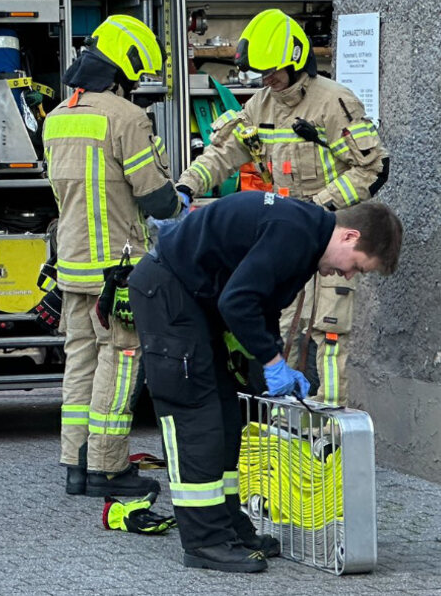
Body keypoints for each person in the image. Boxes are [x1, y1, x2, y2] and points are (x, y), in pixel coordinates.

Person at [127, 192, 402, 573]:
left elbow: (261, 304)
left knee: (227, 418)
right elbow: (237, 302)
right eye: (357, 266)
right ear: (350, 237)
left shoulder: (307, 240)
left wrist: (262, 365)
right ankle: (205, 543)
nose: (350, 275)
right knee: (197, 419)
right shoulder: (295, 233)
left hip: (193, 301)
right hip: (168, 294)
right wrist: (274, 364)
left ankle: (228, 527)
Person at [175, 9, 389, 407]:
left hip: (329, 239)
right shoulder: (261, 106)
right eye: (262, 73)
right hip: (282, 241)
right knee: (282, 329)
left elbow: (373, 169)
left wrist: (319, 207)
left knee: (330, 332)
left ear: (296, 62)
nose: (267, 79)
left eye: (274, 71)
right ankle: (284, 428)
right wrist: (186, 186)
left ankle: (330, 429)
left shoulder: (335, 104)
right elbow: (223, 152)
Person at [43, 15, 186, 498]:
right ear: (123, 69)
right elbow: (158, 200)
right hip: (119, 271)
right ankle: (108, 467)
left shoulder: (57, 116)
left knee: (79, 362)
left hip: (74, 266)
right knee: (121, 360)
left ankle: (76, 465)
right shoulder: (127, 118)